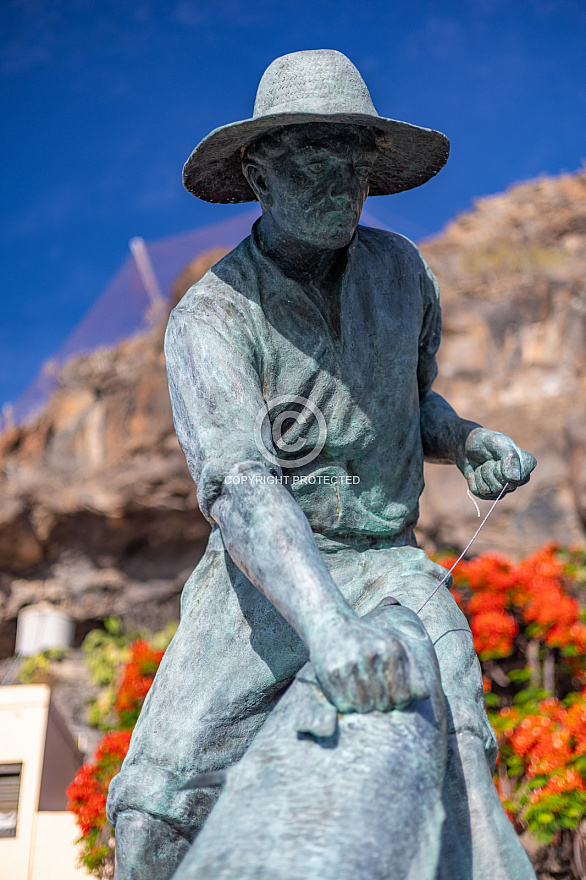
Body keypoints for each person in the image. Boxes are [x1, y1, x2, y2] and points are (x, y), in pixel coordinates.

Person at [107, 50, 537, 880]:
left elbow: (411, 407)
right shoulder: (211, 316)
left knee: (459, 756)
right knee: (152, 819)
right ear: (257, 175)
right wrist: (329, 627)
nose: (341, 181)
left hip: (386, 563)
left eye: (354, 159)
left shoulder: (403, 272)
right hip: (261, 585)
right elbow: (242, 489)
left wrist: (463, 439)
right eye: (313, 157)